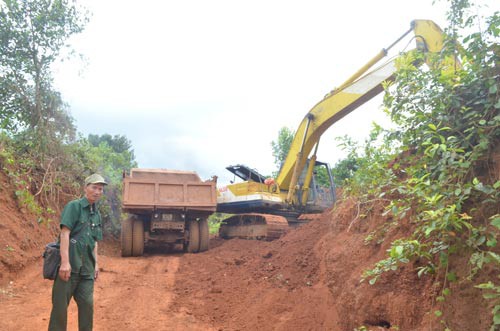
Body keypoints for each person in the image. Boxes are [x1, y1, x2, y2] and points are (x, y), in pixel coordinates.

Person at [48, 174, 107, 331]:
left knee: (87, 305)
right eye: (94, 187)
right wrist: (65, 262)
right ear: (85, 188)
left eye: (100, 189)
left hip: (87, 269)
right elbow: (65, 233)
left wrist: (96, 264)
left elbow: (94, 241)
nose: (97, 191)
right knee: (60, 308)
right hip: (69, 268)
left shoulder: (97, 214)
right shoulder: (74, 207)